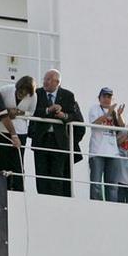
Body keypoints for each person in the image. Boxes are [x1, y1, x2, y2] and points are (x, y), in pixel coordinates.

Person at [27, 69, 83, 198]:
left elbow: (75, 116)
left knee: (57, 174)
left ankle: (56, 200)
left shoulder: (68, 95)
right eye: (44, 79)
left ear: (57, 82)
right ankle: (42, 198)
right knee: (41, 173)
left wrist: (64, 115)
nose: (45, 82)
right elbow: (32, 111)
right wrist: (48, 110)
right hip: (42, 138)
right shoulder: (37, 93)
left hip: (59, 141)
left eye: (48, 79)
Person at [0, 74, 34, 191]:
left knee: (17, 162)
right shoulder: (6, 90)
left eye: (25, 93)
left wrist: (20, 112)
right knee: (1, 161)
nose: (22, 95)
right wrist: (7, 111)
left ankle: (18, 189)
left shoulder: (33, 96)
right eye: (20, 91)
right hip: (1, 130)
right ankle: (1, 188)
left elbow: (32, 113)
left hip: (21, 132)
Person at [86, 88, 123, 202]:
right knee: (96, 183)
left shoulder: (114, 112)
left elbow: (122, 128)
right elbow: (94, 123)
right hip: (98, 151)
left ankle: (112, 209)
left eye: (109, 97)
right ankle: (96, 208)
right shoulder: (94, 109)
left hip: (113, 152)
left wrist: (119, 115)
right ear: (99, 98)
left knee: (112, 186)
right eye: (104, 96)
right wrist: (107, 114)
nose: (107, 99)